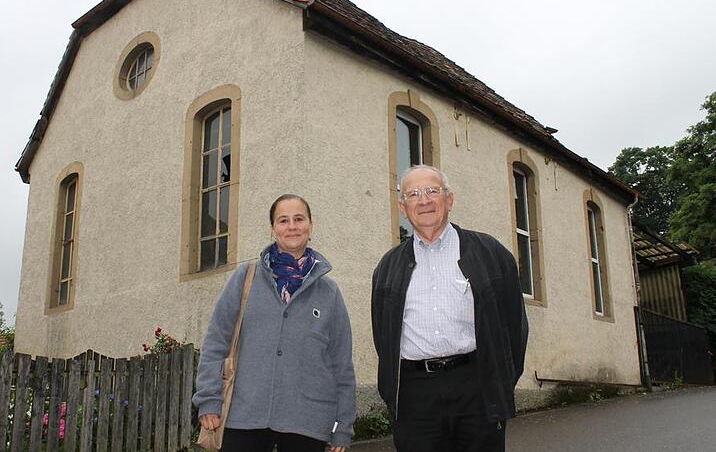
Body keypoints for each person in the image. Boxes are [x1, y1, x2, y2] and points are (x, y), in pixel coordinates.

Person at [371, 165, 528, 452]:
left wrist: (499, 381)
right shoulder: (387, 268)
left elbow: (515, 327)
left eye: (433, 191)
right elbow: (383, 336)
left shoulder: (490, 253)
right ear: (403, 208)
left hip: (476, 387)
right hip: (415, 395)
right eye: (414, 194)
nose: (424, 200)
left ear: (449, 200)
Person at [194, 194, 356, 452]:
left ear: (310, 226)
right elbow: (216, 342)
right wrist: (209, 400)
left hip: (307, 422)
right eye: (283, 220)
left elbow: (341, 364)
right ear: (273, 229)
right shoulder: (245, 278)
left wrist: (342, 427)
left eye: (299, 219)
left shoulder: (329, 292)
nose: (292, 226)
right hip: (245, 416)